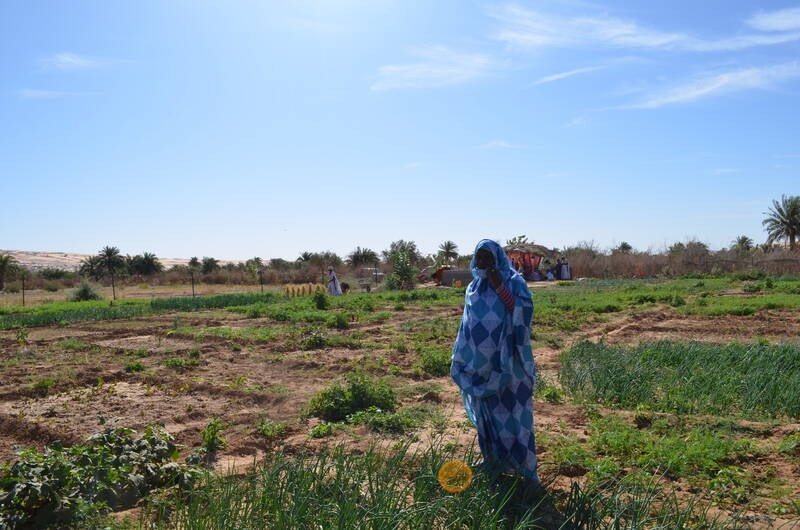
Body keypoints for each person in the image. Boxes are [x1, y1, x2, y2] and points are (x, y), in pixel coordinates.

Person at [450, 239, 538, 484]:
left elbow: (524, 311)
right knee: (489, 419)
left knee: (514, 416)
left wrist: (500, 288)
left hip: (510, 366)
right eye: (480, 258)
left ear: (498, 258)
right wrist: (462, 355)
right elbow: (467, 326)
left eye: (489, 258)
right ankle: (494, 462)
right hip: (481, 368)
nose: (484, 263)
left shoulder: (513, 282)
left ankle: (527, 471)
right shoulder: (473, 288)